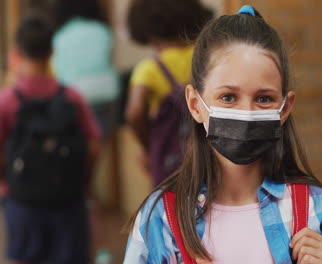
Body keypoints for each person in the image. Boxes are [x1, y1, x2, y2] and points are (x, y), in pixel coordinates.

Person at [123, 5, 322, 264]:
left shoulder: (314, 209)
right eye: (228, 97)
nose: (247, 113)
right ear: (195, 105)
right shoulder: (160, 217)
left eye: (264, 98)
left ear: (284, 108)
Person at [0, 14, 100, 264]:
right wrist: (85, 183)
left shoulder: (7, 101)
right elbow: (94, 145)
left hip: (22, 201)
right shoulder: (72, 97)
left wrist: (5, 184)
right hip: (68, 201)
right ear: (52, 52)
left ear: (17, 53)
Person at [125, 0, 213, 186]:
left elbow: (134, 112)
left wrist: (148, 146)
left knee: (168, 203)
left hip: (169, 158)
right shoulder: (205, 57)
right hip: (208, 150)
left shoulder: (149, 68)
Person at [52, 0, 119, 137]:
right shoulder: (102, 31)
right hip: (104, 93)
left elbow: (58, 71)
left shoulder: (60, 37)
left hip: (73, 96)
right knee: (100, 137)